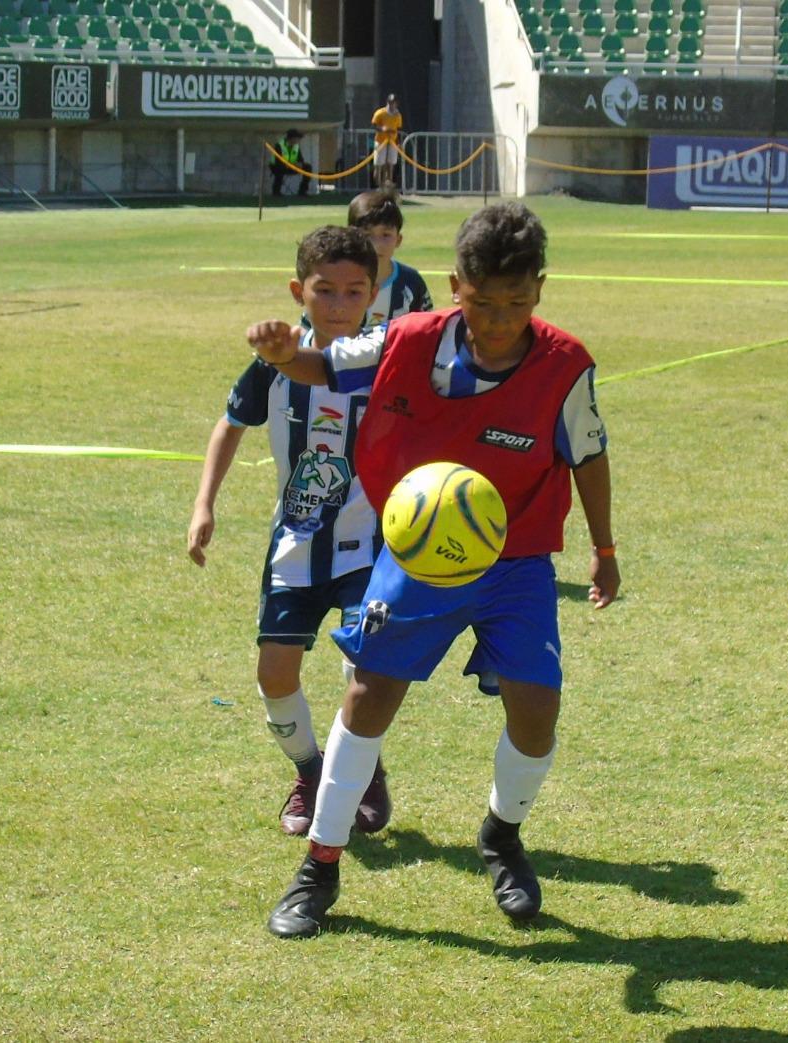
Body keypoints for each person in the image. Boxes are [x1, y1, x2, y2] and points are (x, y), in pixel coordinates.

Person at [245, 202, 620, 938]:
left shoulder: (565, 365)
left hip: (515, 563)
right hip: (419, 556)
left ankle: (502, 834)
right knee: (369, 693)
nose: (499, 318)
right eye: (482, 302)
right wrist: (284, 353)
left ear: (540, 291)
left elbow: (590, 454)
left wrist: (604, 549)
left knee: (537, 710)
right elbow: (328, 363)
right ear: (457, 286)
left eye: (516, 302)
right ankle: (319, 865)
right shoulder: (410, 339)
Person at [187, 225, 392, 840]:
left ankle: (364, 771)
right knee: (274, 674)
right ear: (297, 290)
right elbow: (230, 425)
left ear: (373, 293)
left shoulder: (387, 360)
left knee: (370, 676)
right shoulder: (275, 363)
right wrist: (205, 503)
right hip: (297, 545)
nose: (337, 305)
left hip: (371, 546)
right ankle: (309, 770)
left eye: (353, 292)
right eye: (323, 290)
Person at [347, 189, 433, 328]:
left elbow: (427, 330)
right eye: (367, 235)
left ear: (398, 240)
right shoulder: (337, 279)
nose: (376, 244)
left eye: (386, 235)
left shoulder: (411, 282)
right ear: (350, 236)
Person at [370, 94, 402, 189]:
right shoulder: (380, 113)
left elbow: (398, 129)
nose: (392, 105)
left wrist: (398, 142)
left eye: (394, 103)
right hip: (380, 141)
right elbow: (374, 125)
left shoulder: (398, 115)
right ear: (387, 102)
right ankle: (378, 186)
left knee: (390, 164)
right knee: (379, 165)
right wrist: (383, 129)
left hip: (392, 141)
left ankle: (388, 185)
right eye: (390, 102)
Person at [270, 129, 313, 197]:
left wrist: (300, 164)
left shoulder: (296, 146)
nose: (298, 140)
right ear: (292, 138)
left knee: (308, 167)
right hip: (277, 167)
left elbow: (300, 159)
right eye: (297, 138)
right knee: (280, 168)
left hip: (291, 167)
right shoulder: (279, 145)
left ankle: (302, 191)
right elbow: (277, 161)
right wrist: (290, 165)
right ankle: (276, 192)